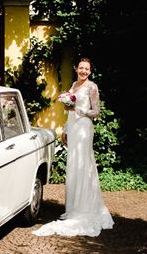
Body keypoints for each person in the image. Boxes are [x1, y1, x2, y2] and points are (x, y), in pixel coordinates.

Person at [33, 57, 114, 237]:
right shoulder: (73, 85)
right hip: (74, 129)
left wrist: (79, 110)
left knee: (83, 165)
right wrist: (66, 130)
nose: (83, 71)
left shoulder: (92, 87)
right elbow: (69, 112)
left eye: (87, 69)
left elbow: (96, 111)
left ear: (90, 71)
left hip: (85, 129)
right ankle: (74, 206)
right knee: (74, 165)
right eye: (81, 68)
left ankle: (84, 207)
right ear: (76, 69)